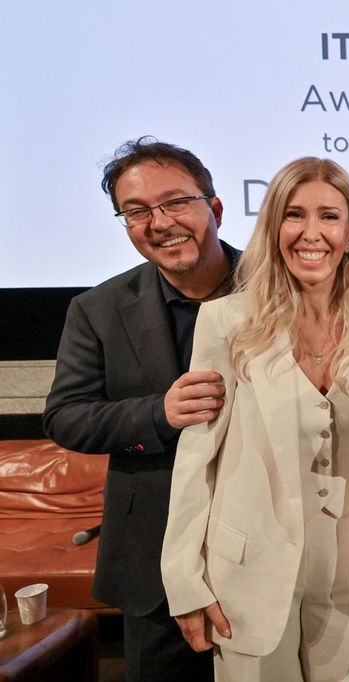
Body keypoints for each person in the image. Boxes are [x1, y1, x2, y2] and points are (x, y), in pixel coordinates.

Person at [160, 157, 349, 680]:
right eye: (294, 215)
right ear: (273, 228)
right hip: (248, 579)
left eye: (329, 216)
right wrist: (184, 578)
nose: (312, 233)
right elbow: (197, 456)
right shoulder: (226, 321)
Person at [43, 138, 238, 681]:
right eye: (137, 211)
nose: (160, 222)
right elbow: (66, 416)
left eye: (175, 202)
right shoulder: (97, 309)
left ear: (215, 208)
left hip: (271, 544)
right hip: (152, 559)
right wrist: (159, 414)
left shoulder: (283, 288)